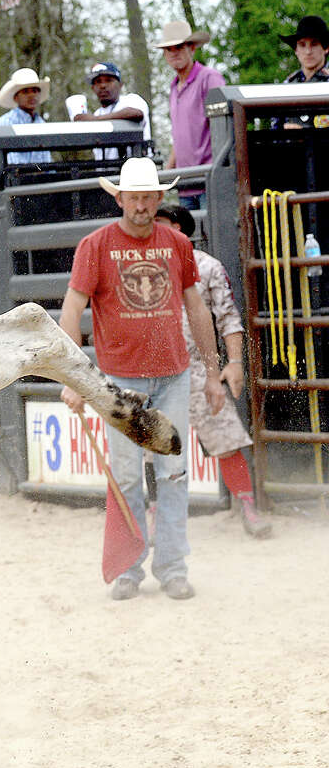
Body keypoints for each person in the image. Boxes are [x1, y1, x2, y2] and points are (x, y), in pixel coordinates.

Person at [58, 157, 226, 601]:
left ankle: (171, 566)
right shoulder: (95, 246)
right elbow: (72, 312)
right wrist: (73, 378)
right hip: (118, 381)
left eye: (148, 197)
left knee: (172, 472)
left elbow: (196, 308)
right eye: (133, 197)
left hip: (172, 374)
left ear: (158, 198)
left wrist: (212, 372)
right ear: (120, 198)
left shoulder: (176, 244)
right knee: (128, 476)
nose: (141, 205)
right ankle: (131, 568)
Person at [152, 204, 271, 537]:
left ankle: (248, 506)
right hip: (156, 369)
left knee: (225, 438)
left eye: (160, 223)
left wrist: (233, 363)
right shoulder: (146, 266)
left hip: (197, 368)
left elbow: (228, 317)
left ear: (178, 227)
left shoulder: (207, 267)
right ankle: (154, 514)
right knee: (151, 448)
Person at [155, 20, 226, 210]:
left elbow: (225, 129)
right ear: (165, 54)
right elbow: (180, 141)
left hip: (209, 181)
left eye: (179, 46)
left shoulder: (209, 79)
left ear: (192, 48)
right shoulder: (173, 87)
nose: (174, 53)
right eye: (169, 49)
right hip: (185, 185)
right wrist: (163, 180)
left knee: (214, 237)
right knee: (189, 238)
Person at [71, 61, 152, 160]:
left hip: (138, 170)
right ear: (93, 88)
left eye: (108, 80)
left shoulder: (131, 100)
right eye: (98, 82)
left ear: (120, 84)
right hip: (106, 171)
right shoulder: (97, 113)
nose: (103, 86)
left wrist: (94, 119)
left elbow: (135, 113)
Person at [279, 15, 329, 129]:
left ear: (326, 48)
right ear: (296, 50)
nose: (308, 51)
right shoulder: (287, 85)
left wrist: (305, 134)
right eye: (302, 45)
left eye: (314, 44)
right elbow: (275, 126)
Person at [0, 67, 51, 164]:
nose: (31, 95)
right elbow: (12, 164)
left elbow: (47, 159)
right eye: (25, 91)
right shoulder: (6, 123)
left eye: (35, 90)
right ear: (16, 97)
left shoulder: (41, 122)